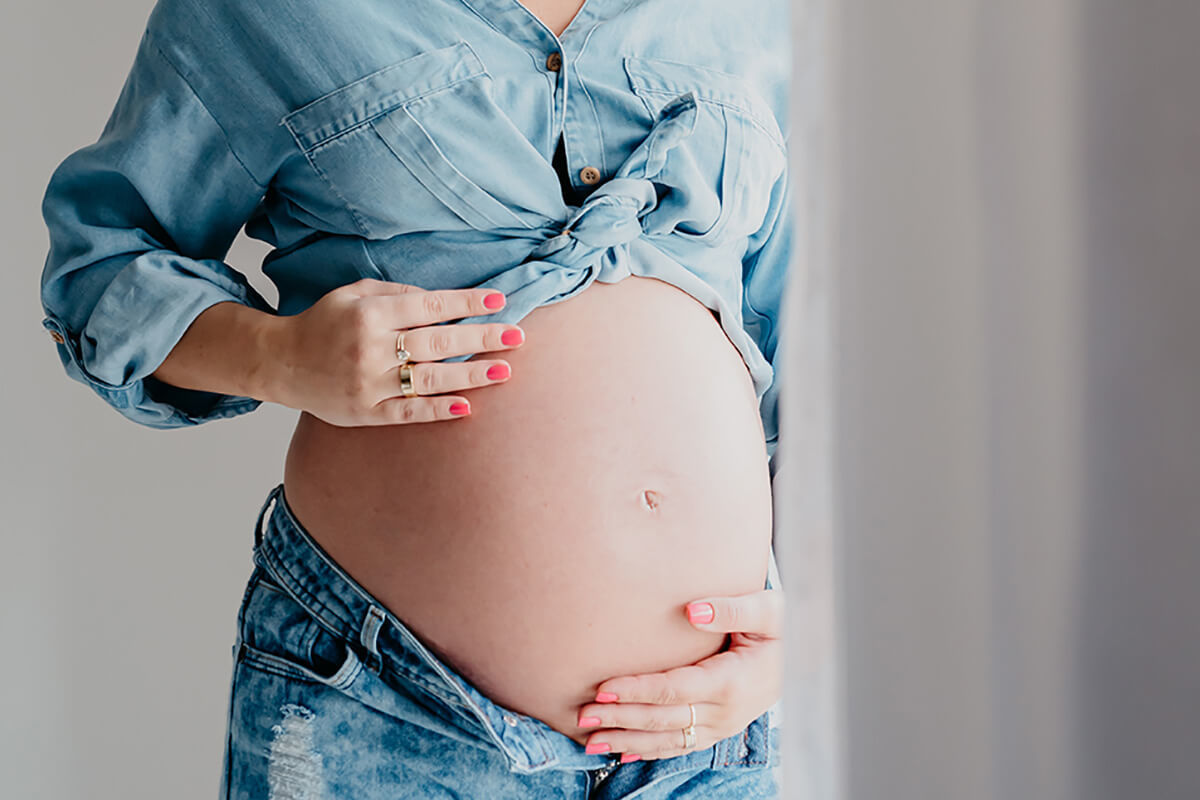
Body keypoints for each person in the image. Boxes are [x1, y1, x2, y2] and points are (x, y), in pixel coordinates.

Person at [37, 0, 792, 796]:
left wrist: (799, 644)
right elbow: (100, 268)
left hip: (710, 739)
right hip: (390, 708)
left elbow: (817, 356)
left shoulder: (756, 18)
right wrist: (280, 356)